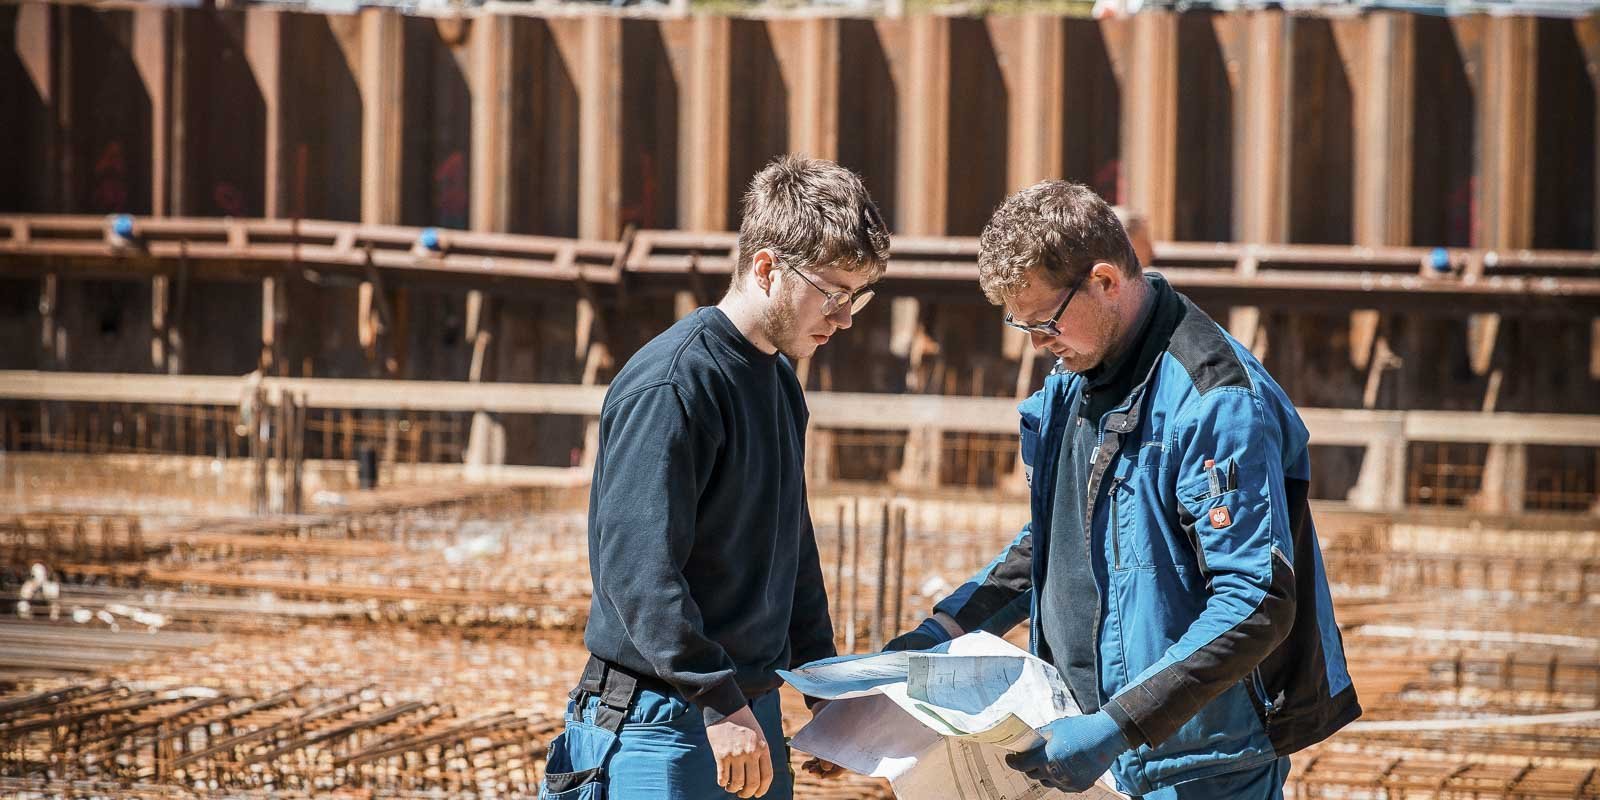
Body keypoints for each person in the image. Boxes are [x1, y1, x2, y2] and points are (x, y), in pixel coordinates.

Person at [886, 181, 1360, 799]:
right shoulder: (1075, 380)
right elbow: (1053, 543)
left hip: (1197, 764)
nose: (1037, 344)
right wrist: (944, 630)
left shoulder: (1212, 400)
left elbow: (1255, 600)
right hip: (1085, 751)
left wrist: (1117, 725)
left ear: (1105, 281)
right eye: (1020, 324)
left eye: (1046, 322)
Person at [540, 155, 890, 800]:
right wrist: (714, 697)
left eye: (858, 299)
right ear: (766, 268)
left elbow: (790, 544)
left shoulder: (778, 379)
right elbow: (637, 569)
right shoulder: (674, 383)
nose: (845, 318)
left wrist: (821, 686)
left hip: (741, 709)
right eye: (835, 294)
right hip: (663, 716)